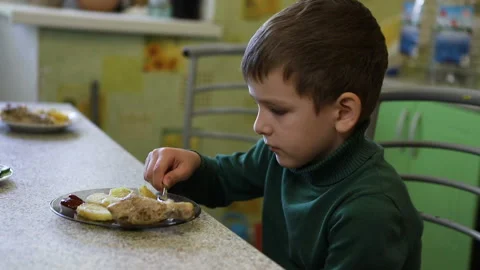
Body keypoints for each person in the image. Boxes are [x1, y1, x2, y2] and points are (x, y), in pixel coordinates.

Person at [144, 0, 424, 269]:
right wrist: (192, 166)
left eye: (277, 110)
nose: (259, 126)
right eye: (259, 105)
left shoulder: (370, 213)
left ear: (342, 113)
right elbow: (222, 180)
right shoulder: (281, 154)